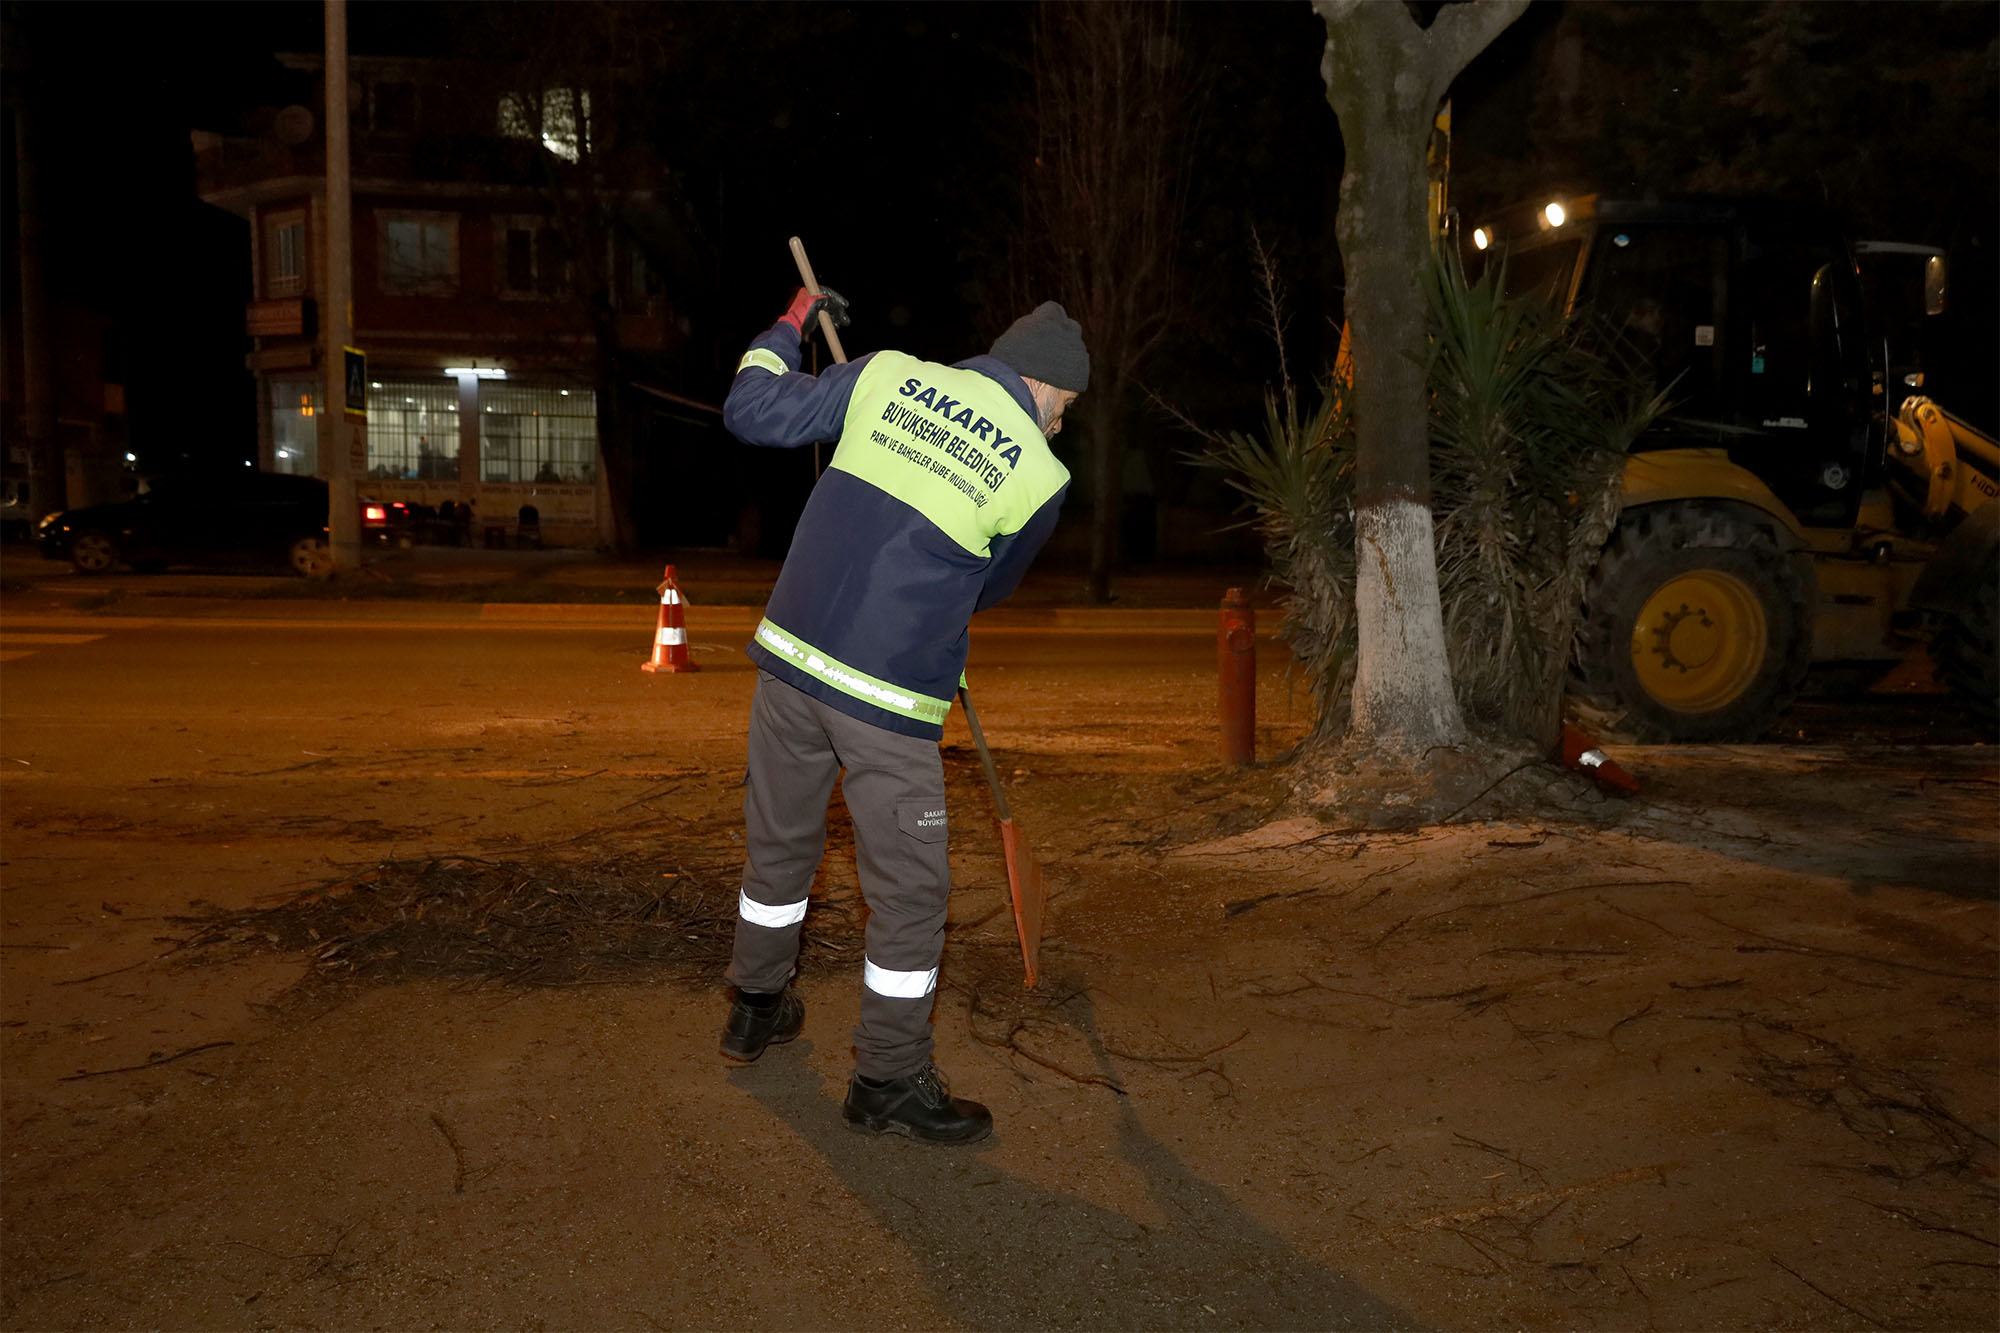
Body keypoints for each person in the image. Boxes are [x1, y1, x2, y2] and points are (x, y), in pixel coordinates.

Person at [717, 286, 1086, 1144]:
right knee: (912, 896)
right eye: (1064, 408)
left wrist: (793, 318)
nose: (1061, 426)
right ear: (1041, 385)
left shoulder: (883, 376)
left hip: (787, 658)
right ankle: (887, 1076)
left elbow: (751, 406)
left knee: (778, 851)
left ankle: (755, 1009)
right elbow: (989, 586)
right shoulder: (1039, 474)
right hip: (884, 697)